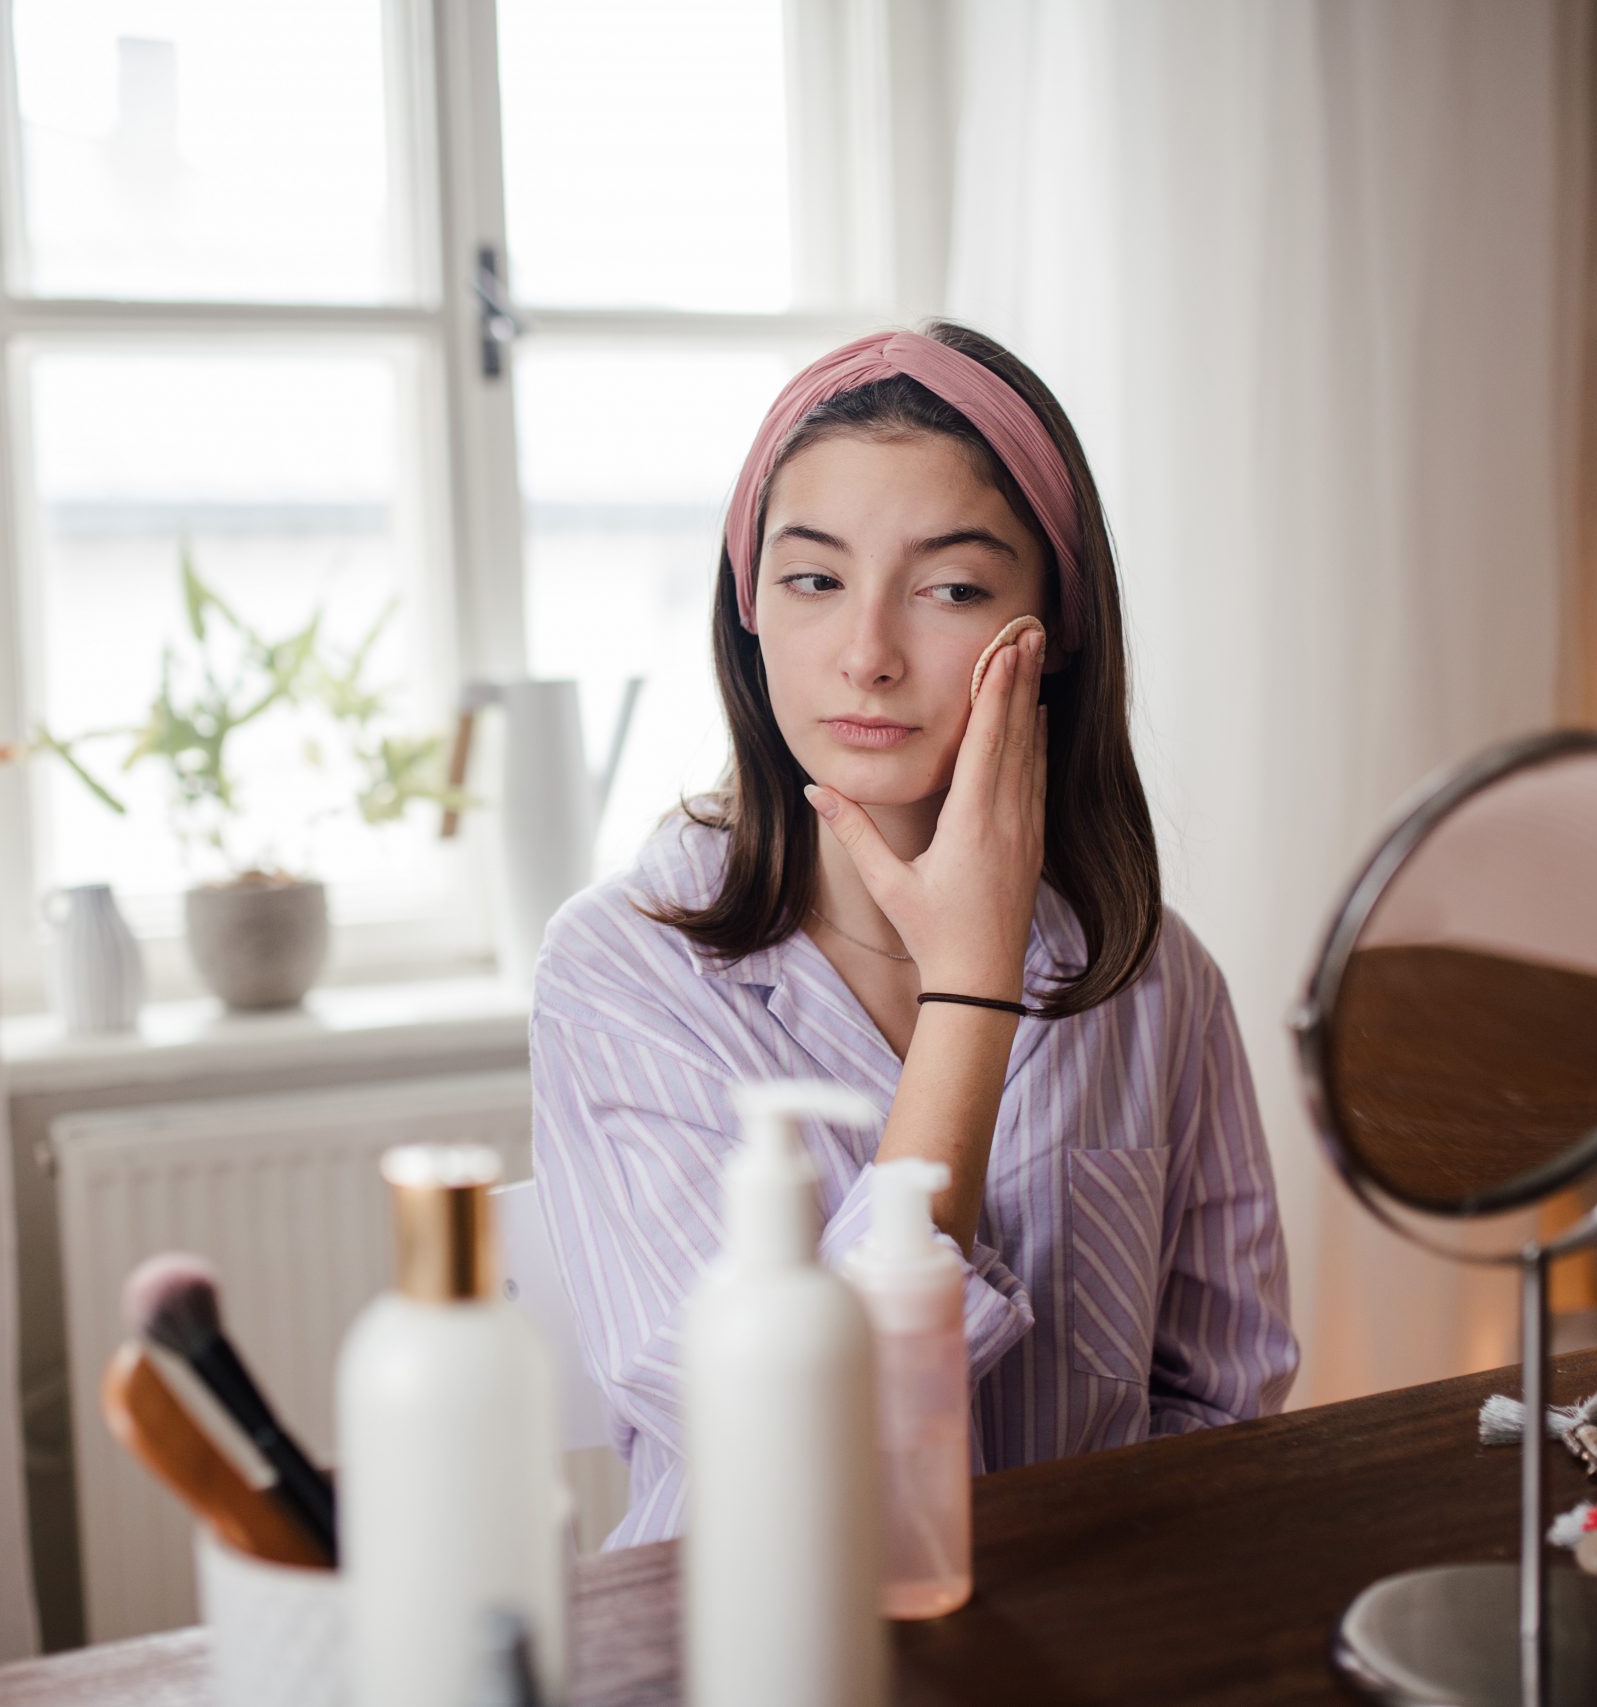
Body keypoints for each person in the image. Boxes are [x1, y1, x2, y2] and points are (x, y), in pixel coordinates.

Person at [530, 321, 1299, 1549]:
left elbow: (1221, 1394)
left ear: (1054, 630)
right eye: (814, 579)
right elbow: (784, 1440)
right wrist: (971, 995)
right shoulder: (621, 968)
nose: (868, 655)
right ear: (748, 610)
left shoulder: (1155, 974)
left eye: (950, 587)